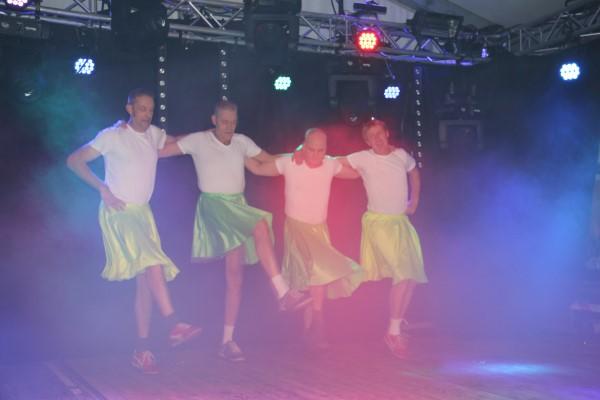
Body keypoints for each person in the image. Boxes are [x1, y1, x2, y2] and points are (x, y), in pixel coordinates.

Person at [159, 100, 310, 362]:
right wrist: (136, 139)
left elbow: (268, 160)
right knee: (260, 224)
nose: (229, 126)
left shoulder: (241, 142)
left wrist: (297, 156)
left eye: (233, 122)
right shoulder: (199, 140)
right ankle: (283, 293)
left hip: (237, 206)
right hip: (214, 206)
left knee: (235, 275)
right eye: (224, 122)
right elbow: (162, 152)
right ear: (214, 120)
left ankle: (227, 341)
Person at [66, 88, 201, 374]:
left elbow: (175, 140)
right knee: (153, 261)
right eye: (141, 108)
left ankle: (142, 350)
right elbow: (74, 161)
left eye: (150, 109)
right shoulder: (112, 135)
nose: (147, 114)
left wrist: (207, 136)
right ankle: (174, 322)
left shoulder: (153, 134)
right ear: (129, 109)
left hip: (143, 215)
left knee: (146, 283)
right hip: (119, 212)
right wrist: (102, 188)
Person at [245, 128, 363, 350]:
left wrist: (367, 160)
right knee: (317, 272)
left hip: (320, 229)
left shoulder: (330, 164)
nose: (316, 155)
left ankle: (311, 331)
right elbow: (258, 168)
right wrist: (236, 151)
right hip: (297, 228)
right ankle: (317, 325)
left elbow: (356, 173)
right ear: (304, 145)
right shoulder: (290, 162)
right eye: (311, 149)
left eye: (321, 151)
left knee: (315, 277)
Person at [338, 119, 428, 358]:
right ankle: (393, 332)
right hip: (378, 223)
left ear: (387, 133)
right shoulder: (364, 157)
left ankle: (397, 324)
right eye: (372, 136)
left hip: (400, 223)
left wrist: (414, 200)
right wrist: (304, 154)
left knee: (411, 277)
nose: (377, 139)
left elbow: (414, 172)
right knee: (402, 273)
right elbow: (334, 162)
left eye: (380, 134)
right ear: (367, 141)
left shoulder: (400, 155)